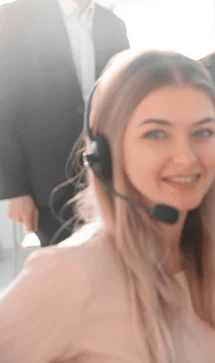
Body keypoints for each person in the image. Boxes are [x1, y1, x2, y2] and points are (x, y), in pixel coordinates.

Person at [0, 50, 215, 363]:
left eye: (202, 133)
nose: (186, 157)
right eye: (156, 134)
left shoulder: (204, 250)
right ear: (106, 154)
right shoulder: (74, 271)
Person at [0, 0, 130, 247]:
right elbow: (3, 104)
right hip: (46, 181)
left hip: (106, 172)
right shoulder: (15, 16)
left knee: (108, 262)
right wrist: (16, 189)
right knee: (62, 267)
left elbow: (122, 97)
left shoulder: (113, 25)